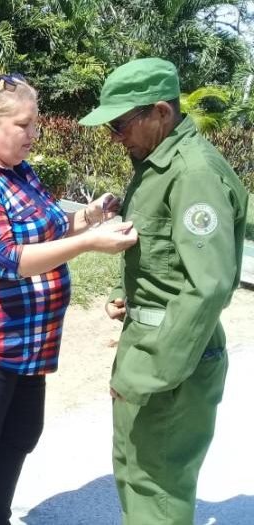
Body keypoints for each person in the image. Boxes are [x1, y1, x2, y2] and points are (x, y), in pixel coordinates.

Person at [0, 69, 139, 525]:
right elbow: (6, 259)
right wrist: (88, 243)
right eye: (24, 125)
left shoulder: (19, 173)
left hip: (27, 339)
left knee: (20, 434)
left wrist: (94, 215)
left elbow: (53, 226)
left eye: (35, 123)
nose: (34, 135)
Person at [79, 57, 249, 524]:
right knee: (135, 471)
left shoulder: (193, 172)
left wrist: (150, 372)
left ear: (160, 112)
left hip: (173, 355)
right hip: (150, 341)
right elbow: (166, 254)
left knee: (157, 486)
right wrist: (128, 293)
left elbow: (207, 285)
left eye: (120, 123)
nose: (115, 136)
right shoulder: (155, 163)